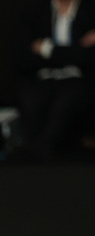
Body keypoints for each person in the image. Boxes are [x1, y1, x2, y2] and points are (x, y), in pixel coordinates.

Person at [15, 0, 95, 160]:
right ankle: (33, 153)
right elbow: (24, 57)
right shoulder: (33, 13)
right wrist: (72, 52)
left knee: (68, 101)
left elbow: (88, 58)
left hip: (79, 80)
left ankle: (40, 152)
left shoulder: (90, 12)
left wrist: (47, 48)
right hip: (42, 77)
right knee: (32, 101)